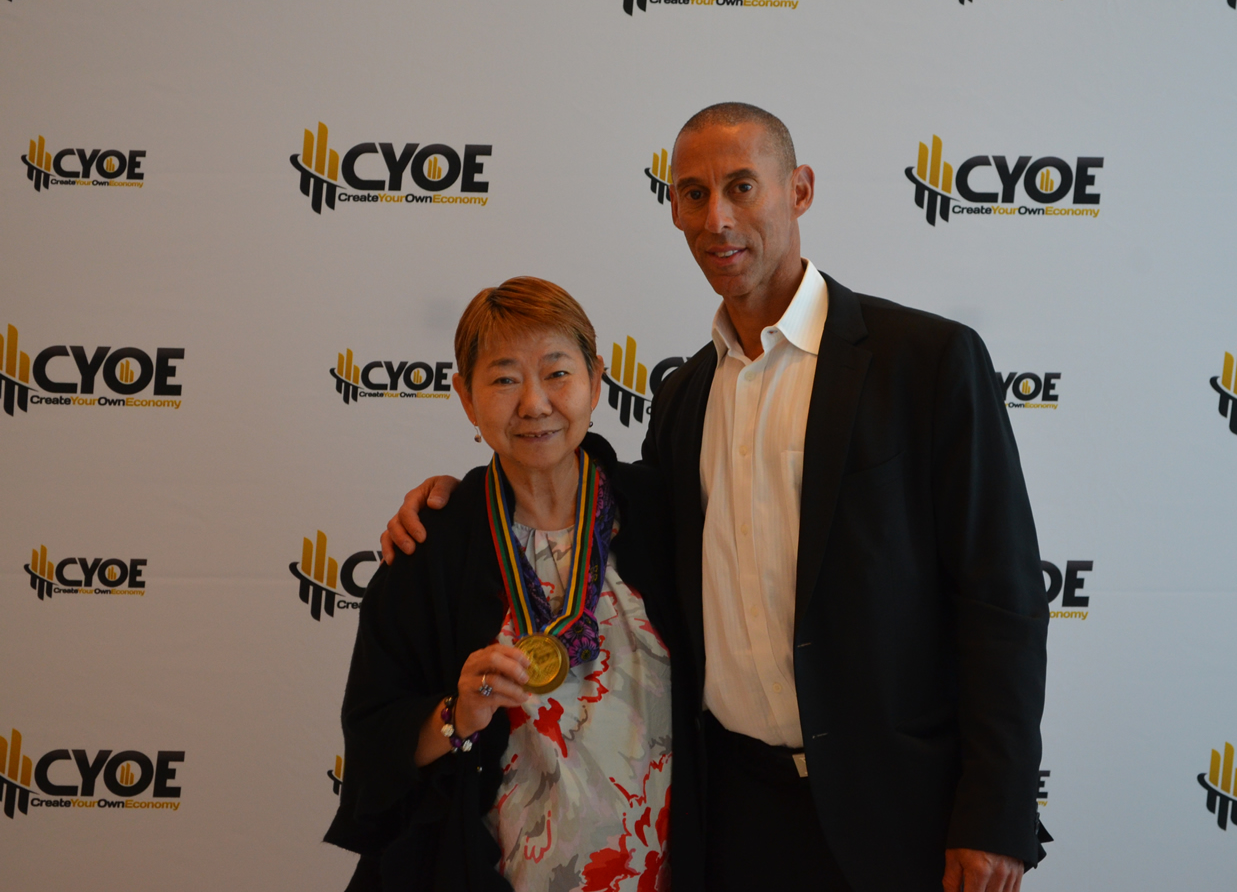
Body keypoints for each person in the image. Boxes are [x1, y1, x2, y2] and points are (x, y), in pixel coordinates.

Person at [382, 104, 1050, 892]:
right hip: (733, 815)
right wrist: (459, 496)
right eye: (694, 194)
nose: (717, 218)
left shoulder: (926, 361)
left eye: (741, 186)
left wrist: (994, 812)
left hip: (903, 809)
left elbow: (1001, 598)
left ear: (799, 190)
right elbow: (596, 504)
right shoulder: (683, 397)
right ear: (673, 208)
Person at [326, 277, 695, 891]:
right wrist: (456, 714)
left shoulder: (666, 516)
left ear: (597, 379)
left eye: (557, 373)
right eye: (503, 380)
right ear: (466, 399)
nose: (534, 403)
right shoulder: (430, 547)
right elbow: (373, 742)